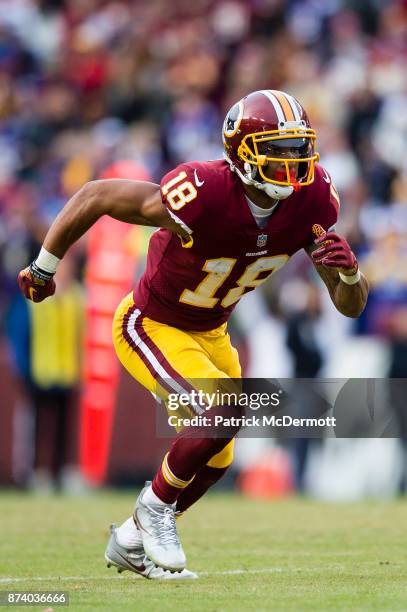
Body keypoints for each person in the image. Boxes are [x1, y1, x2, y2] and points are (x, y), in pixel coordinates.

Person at [18, 90, 369, 579]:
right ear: (243, 153)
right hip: (153, 323)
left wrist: (349, 276)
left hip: (213, 331)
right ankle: (153, 510)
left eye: (299, 148)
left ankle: (131, 540)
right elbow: (96, 195)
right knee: (224, 410)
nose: (295, 162)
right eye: (279, 149)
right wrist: (43, 266)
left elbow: (350, 308)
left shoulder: (312, 199)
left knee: (219, 454)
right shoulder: (202, 191)